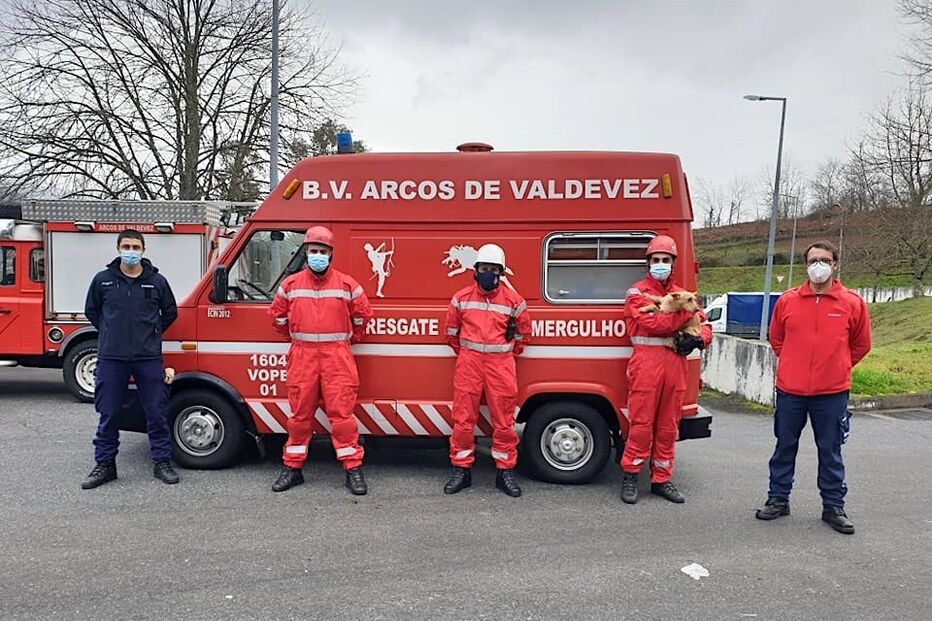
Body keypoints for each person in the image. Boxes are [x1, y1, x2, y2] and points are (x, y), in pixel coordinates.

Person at [756, 241, 871, 534]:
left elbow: (861, 344)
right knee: (784, 447)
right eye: (813, 260)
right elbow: (776, 338)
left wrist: (839, 365)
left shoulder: (851, 302)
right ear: (806, 265)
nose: (818, 265)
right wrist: (794, 364)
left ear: (835, 264)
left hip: (831, 393)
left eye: (825, 259)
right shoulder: (788, 300)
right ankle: (778, 499)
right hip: (790, 391)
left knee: (830, 450)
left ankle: (833, 506)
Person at [268, 225, 373, 495]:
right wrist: (298, 339)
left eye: (322, 251)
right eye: (313, 251)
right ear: (305, 253)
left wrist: (347, 340)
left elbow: (363, 317)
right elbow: (278, 319)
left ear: (331, 254)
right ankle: (293, 468)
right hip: (303, 356)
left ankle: (353, 469)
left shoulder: (348, 285)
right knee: (299, 418)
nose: (318, 255)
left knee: (342, 418)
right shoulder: (289, 286)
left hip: (336, 356)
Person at [81, 229, 178, 489]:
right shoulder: (102, 280)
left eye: (136, 247)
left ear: (143, 250)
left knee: (156, 411)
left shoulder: (157, 282)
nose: (131, 251)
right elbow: (92, 311)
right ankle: (105, 465)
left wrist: (151, 333)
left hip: (147, 357)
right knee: (109, 413)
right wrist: (112, 333)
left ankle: (162, 462)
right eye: (127, 246)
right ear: (118, 248)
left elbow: (169, 312)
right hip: (112, 358)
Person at [620, 235, 711, 505]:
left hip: (675, 365)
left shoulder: (684, 294)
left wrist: (699, 339)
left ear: (673, 263)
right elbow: (654, 325)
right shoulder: (637, 293)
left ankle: (662, 479)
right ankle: (630, 476)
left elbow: (705, 325)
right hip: (646, 366)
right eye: (656, 260)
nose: (660, 264)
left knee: (668, 428)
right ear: (648, 263)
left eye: (665, 260)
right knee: (641, 425)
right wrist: (686, 312)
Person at [443, 243, 531, 497]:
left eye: (493, 269)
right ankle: (461, 470)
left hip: (500, 366)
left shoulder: (515, 301)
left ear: (501, 272)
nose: (488, 273)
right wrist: (470, 354)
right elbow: (450, 334)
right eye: (484, 268)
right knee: (462, 421)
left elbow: (524, 336)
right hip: (468, 364)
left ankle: (505, 472)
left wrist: (503, 351)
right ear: (475, 269)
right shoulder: (460, 298)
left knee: (504, 422)